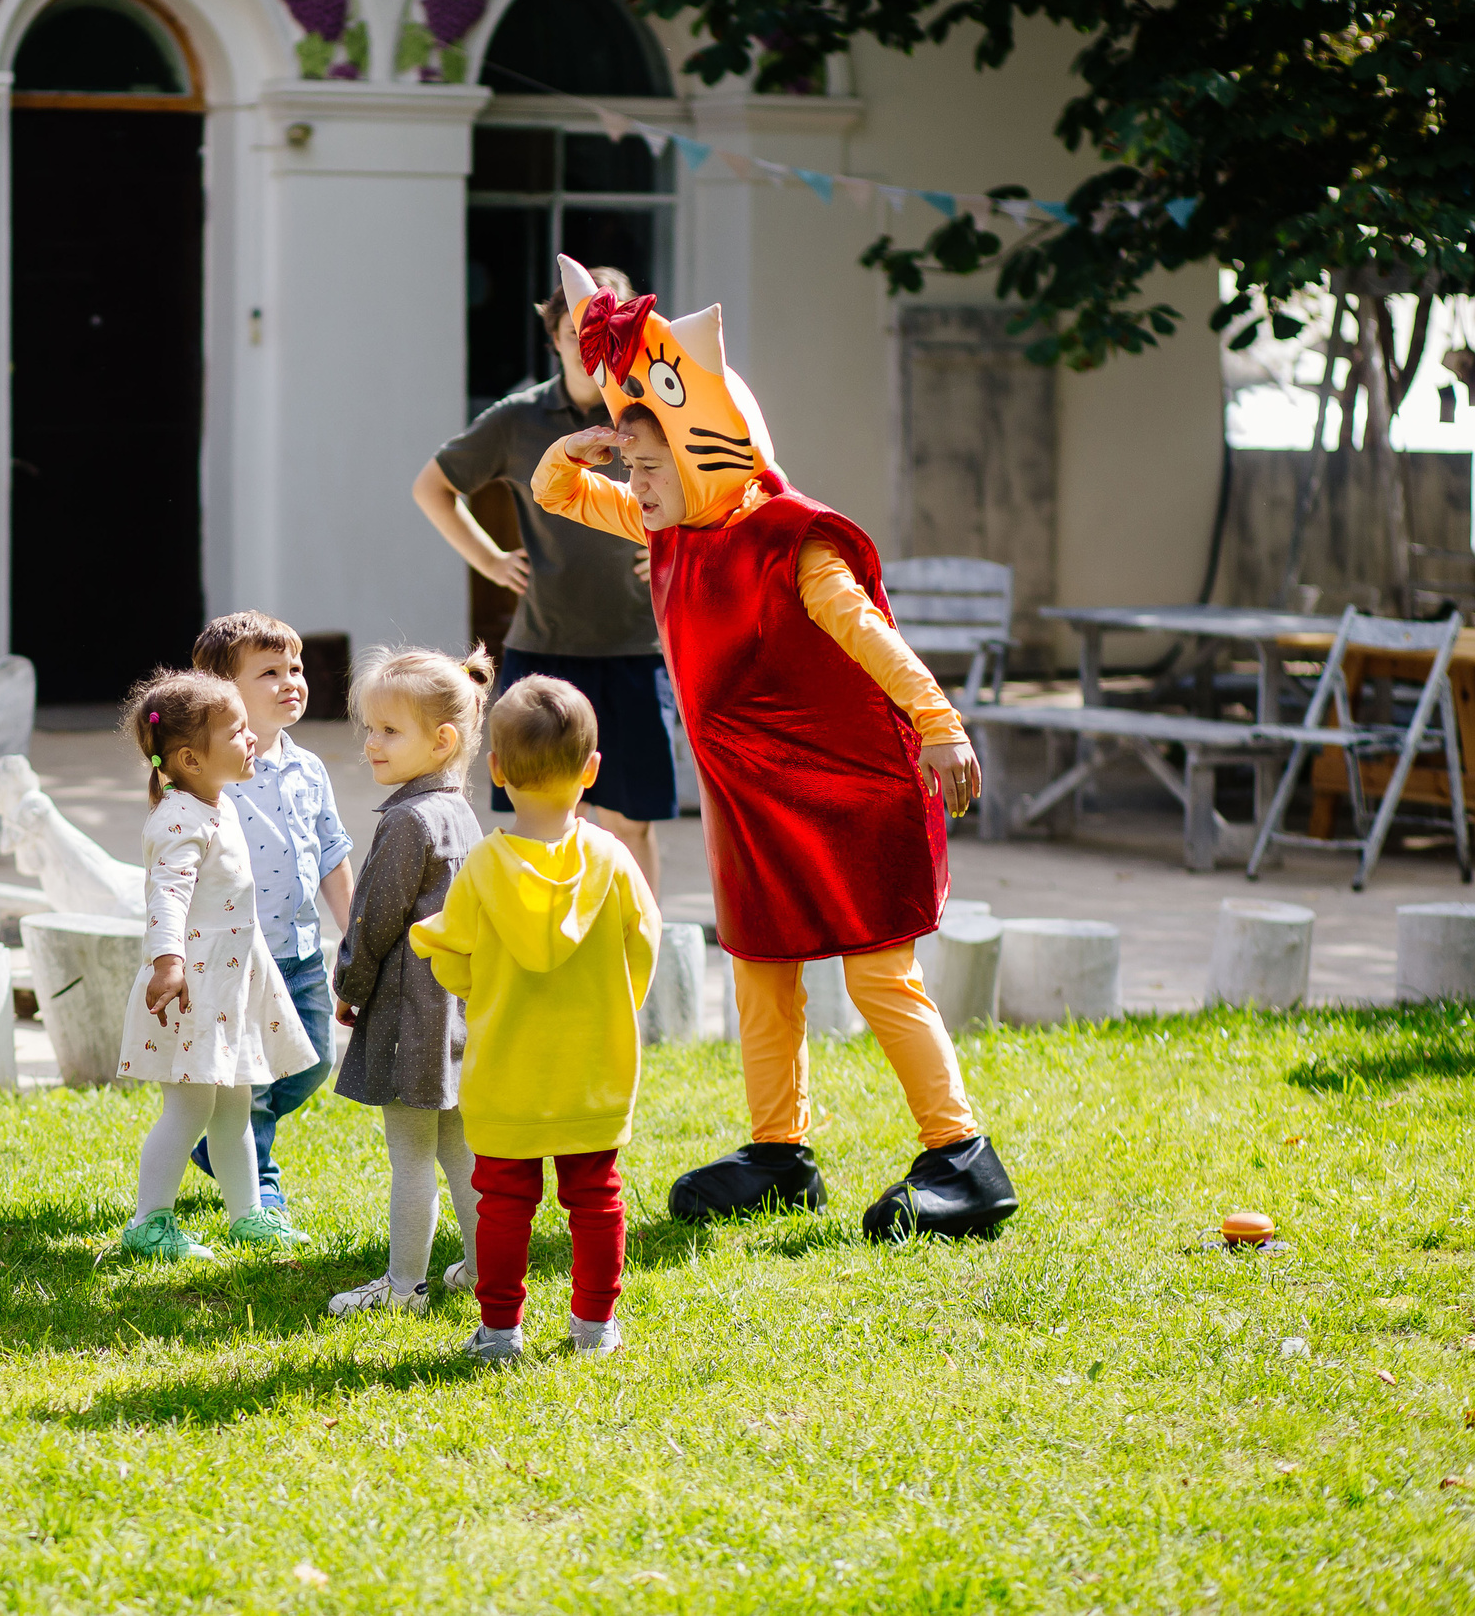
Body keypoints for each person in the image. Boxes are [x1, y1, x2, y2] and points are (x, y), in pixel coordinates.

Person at [530, 258, 1018, 1240]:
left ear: (708, 457)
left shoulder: (787, 540)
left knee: (879, 976)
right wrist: (596, 439)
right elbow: (552, 487)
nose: (635, 486)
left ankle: (962, 1156)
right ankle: (779, 1152)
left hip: (850, 789)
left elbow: (870, 635)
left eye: (651, 467)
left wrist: (940, 726)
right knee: (760, 970)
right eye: (630, 471)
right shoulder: (669, 525)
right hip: (752, 803)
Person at [409, 677, 658, 1362]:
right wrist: (613, 999)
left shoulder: (485, 865)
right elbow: (644, 944)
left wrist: (482, 985)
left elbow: (453, 956)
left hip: (507, 1070)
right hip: (595, 1070)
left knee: (504, 1203)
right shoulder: (612, 858)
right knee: (597, 1199)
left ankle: (499, 1330)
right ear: (592, 769)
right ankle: (592, 1327)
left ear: (495, 770)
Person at [412, 263, 674, 895]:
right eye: (574, 331)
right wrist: (492, 561)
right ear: (555, 336)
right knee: (549, 819)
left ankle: (634, 967)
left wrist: (675, 552)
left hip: (641, 649)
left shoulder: (664, 409)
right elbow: (433, 488)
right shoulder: (516, 419)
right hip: (547, 647)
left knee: (630, 825)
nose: (589, 345)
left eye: (605, 330)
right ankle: (549, 952)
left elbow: (722, 491)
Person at [114, 671, 320, 1260]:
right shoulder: (181, 819)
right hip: (195, 985)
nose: (251, 736)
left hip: (229, 981)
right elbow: (167, 896)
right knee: (191, 1105)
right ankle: (149, 1224)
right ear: (189, 758)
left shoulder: (214, 803)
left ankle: (248, 1214)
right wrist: (168, 962)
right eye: (236, 731)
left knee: (235, 1101)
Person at [325, 647, 491, 1317]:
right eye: (369, 727)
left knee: (412, 1156)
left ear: (442, 739)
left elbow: (373, 918)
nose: (371, 742)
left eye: (389, 730)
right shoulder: (460, 813)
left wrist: (350, 983)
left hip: (408, 1016)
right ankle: (484, 1269)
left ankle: (402, 1289)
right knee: (462, 1153)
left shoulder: (405, 821)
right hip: (456, 1012)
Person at [185, 612, 353, 1212]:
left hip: (302, 952)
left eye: (296, 669)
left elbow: (331, 854)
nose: (291, 682)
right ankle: (258, 1184)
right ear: (222, 692)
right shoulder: (213, 775)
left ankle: (219, 1144)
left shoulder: (308, 769)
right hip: (240, 954)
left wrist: (353, 934)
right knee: (252, 1079)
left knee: (311, 1062)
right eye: (270, 672)